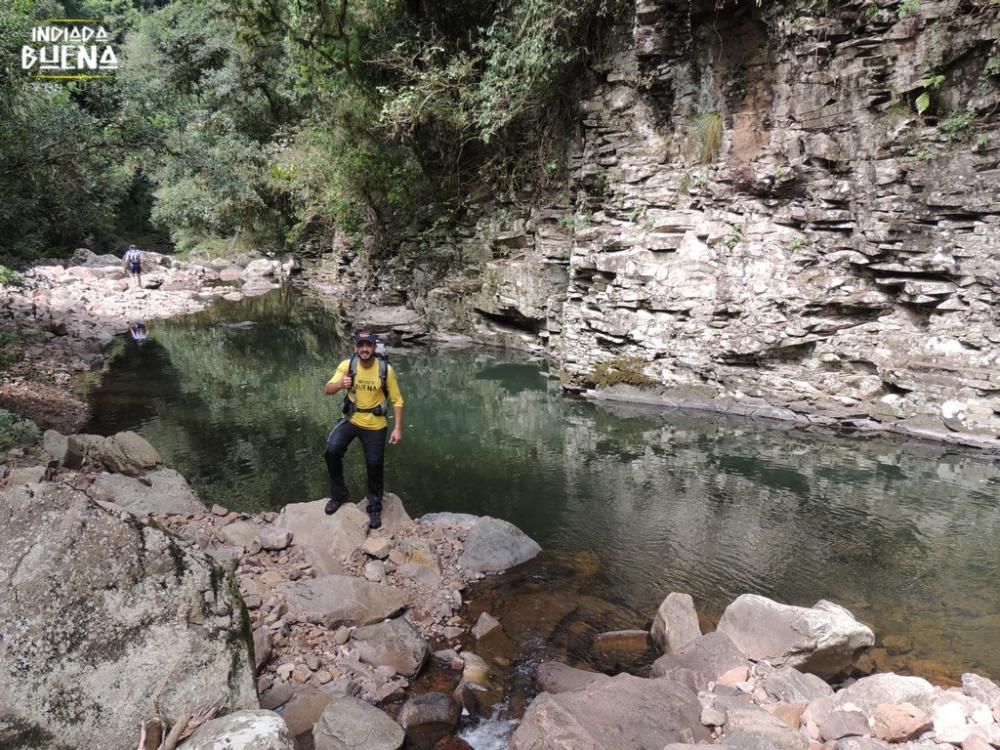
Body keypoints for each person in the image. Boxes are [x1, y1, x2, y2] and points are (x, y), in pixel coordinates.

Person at [323, 329, 404, 529]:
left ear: (374, 347)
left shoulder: (385, 370)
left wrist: (397, 429)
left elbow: (397, 400)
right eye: (361, 345)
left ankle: (374, 506)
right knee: (332, 450)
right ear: (356, 347)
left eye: (368, 345)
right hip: (352, 418)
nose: (365, 349)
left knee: (374, 463)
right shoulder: (347, 365)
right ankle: (339, 495)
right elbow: (327, 389)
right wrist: (341, 384)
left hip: (376, 423)